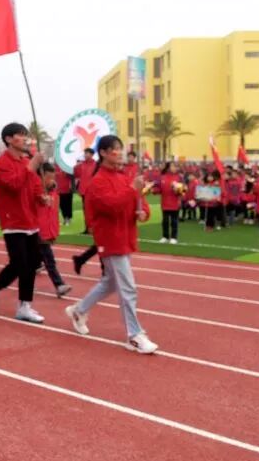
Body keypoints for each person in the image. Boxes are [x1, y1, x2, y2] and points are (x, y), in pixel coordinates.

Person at [65, 134, 158, 355]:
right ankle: (134, 335)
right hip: (110, 239)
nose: (120, 152)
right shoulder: (97, 182)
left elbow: (140, 203)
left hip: (125, 237)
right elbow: (111, 206)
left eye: (121, 148)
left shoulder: (125, 177)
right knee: (127, 287)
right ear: (104, 153)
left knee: (110, 283)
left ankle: (79, 310)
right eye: (115, 149)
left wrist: (143, 212)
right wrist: (132, 190)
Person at [0, 123, 46, 324]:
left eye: (25, 135)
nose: (25, 139)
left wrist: (41, 197)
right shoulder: (1, 163)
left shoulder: (25, 162)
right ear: (9, 139)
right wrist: (31, 165)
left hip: (30, 220)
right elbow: (14, 184)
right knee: (19, 264)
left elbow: (34, 185)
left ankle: (24, 306)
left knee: (32, 264)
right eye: (20, 135)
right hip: (13, 221)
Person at [36, 163, 72, 298]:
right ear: (42, 176)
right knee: (49, 260)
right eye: (48, 177)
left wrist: (54, 231)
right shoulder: (36, 192)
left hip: (48, 230)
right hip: (38, 231)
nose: (52, 180)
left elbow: (53, 213)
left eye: (53, 177)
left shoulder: (53, 192)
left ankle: (34, 267)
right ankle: (59, 285)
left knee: (33, 259)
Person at [155, 162, 183, 244]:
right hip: (165, 203)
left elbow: (183, 191)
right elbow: (159, 189)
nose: (175, 168)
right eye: (173, 166)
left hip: (175, 203)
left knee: (174, 221)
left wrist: (178, 189)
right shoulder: (162, 177)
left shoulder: (179, 177)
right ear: (168, 168)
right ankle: (165, 236)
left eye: (176, 166)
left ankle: (174, 237)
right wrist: (153, 190)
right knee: (165, 221)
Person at [73, 148, 96, 234]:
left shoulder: (96, 165)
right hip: (84, 191)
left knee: (93, 210)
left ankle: (94, 227)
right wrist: (76, 167)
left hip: (93, 191)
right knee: (86, 210)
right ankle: (87, 228)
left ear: (92, 154)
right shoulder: (81, 164)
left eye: (87, 153)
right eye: (85, 153)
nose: (86, 155)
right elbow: (76, 175)